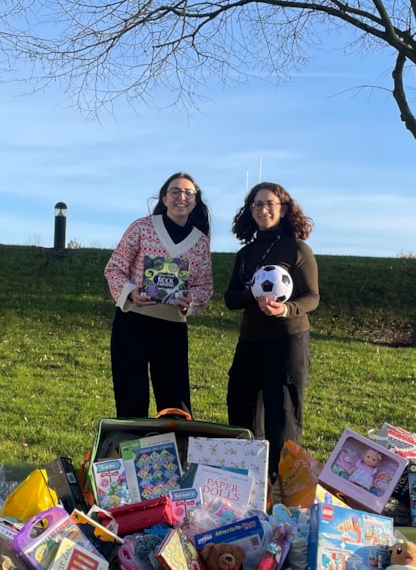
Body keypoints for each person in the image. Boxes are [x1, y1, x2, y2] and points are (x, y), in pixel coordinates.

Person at [224, 181, 318, 481]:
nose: (263, 210)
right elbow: (229, 298)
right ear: (249, 211)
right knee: (241, 408)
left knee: (284, 415)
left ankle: (285, 487)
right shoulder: (245, 254)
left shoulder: (297, 249)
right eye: (256, 205)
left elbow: (312, 297)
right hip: (250, 340)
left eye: (269, 204)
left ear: (284, 209)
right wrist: (253, 294)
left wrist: (285, 309)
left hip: (287, 340)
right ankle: (246, 480)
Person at [104, 172, 214, 417]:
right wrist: (131, 294)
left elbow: (204, 286)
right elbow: (114, 268)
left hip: (172, 328)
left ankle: (176, 452)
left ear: (195, 201)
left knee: (175, 404)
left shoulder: (200, 242)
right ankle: (131, 452)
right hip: (132, 323)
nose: (181, 197)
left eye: (188, 193)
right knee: (132, 400)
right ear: (164, 198)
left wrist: (190, 303)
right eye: (175, 191)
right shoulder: (141, 227)